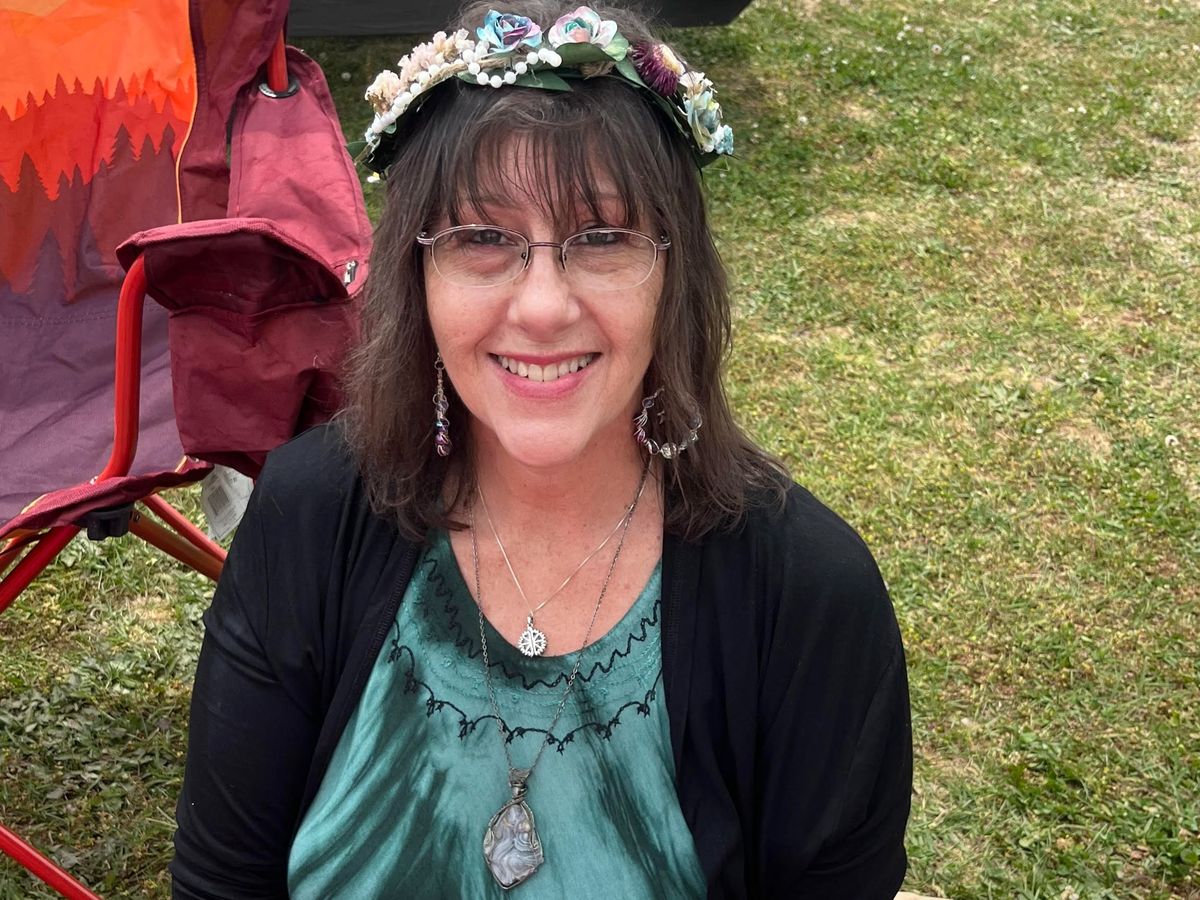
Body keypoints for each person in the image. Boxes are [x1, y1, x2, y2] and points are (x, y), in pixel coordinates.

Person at [170, 2, 912, 897]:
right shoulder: (311, 517)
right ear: (417, 273)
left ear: (675, 276)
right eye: (483, 239)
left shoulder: (807, 597)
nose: (544, 307)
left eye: (604, 238)